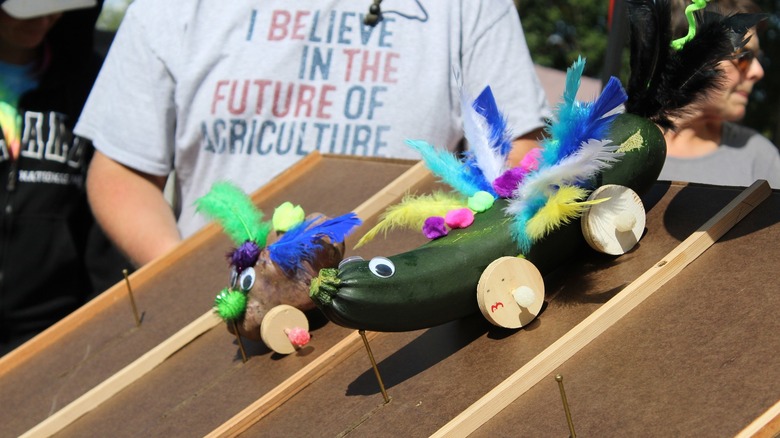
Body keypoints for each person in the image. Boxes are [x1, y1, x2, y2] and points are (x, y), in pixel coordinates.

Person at [75, 0, 552, 267]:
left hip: (405, 325)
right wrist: (185, 278)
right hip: (225, 326)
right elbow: (121, 171)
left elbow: (517, 151)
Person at [0, 0, 132, 355]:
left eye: (55, 6)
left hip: (51, 331)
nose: (44, 18)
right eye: (26, 9)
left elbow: (104, 218)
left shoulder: (89, 81)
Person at [659, 0, 780, 188]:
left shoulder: (759, 157)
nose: (758, 72)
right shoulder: (611, 143)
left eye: (758, 58)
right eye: (743, 57)